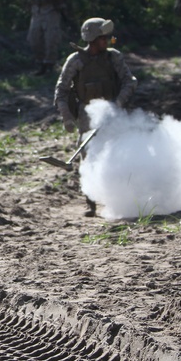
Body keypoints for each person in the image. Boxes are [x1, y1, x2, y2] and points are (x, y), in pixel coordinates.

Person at [54, 18, 137, 217]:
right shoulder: (76, 61)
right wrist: (67, 117)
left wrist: (117, 104)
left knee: (118, 154)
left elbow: (130, 81)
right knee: (88, 156)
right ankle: (90, 203)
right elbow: (61, 90)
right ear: (92, 39)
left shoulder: (113, 57)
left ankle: (120, 199)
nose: (107, 41)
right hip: (86, 115)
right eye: (103, 38)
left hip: (113, 113)